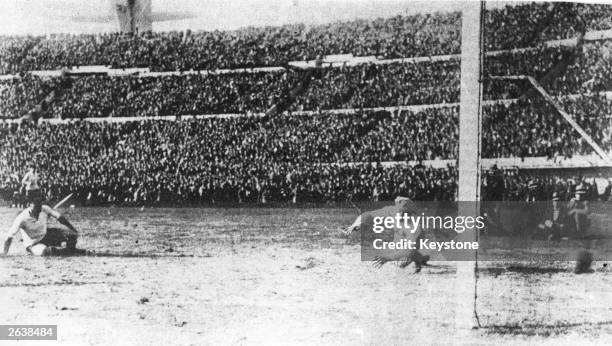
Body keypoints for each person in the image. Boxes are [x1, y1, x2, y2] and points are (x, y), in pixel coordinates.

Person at [2, 195, 84, 256]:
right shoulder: (21, 218)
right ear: (29, 205)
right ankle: (68, 251)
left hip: (46, 236)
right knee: (47, 252)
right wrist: (4, 253)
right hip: (33, 243)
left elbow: (60, 218)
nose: (38, 210)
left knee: (71, 235)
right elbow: (9, 236)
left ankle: (70, 250)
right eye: (36, 207)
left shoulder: (44, 209)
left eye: (39, 206)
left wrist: (73, 229)